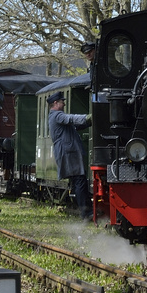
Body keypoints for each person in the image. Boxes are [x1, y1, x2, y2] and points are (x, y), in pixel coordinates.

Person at [47, 91, 93, 219]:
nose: (64, 103)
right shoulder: (57, 115)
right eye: (62, 101)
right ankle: (87, 213)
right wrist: (88, 117)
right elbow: (71, 119)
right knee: (79, 180)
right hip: (68, 152)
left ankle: (88, 211)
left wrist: (87, 122)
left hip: (67, 152)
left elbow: (74, 126)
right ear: (55, 103)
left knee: (79, 181)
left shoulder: (55, 116)